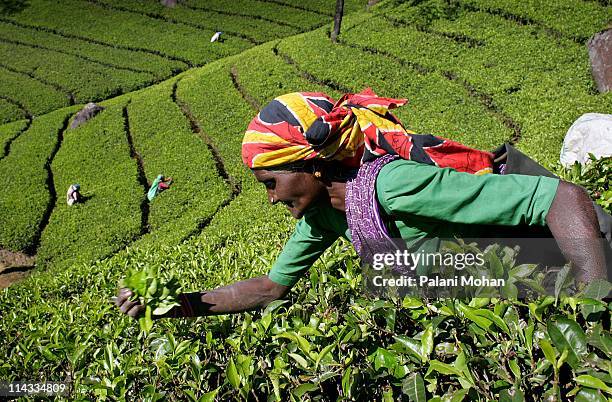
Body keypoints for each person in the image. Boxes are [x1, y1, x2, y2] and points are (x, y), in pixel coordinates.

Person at [115, 89, 609, 319]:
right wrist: (172, 306)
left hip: (575, 257)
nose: (270, 198)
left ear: (311, 166)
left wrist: (595, 303)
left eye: (270, 182)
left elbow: (563, 197)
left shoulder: (393, 185)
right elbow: (268, 288)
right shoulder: (327, 214)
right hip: (506, 290)